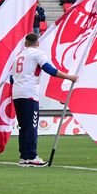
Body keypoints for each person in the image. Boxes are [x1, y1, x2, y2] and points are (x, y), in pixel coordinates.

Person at [10, 32, 77, 167]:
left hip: (17, 93)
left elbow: (12, 78)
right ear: (38, 43)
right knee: (31, 126)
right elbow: (50, 70)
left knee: (23, 127)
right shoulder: (38, 54)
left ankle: (24, 156)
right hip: (30, 93)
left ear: (25, 43)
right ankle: (31, 156)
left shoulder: (18, 56)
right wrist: (70, 77)